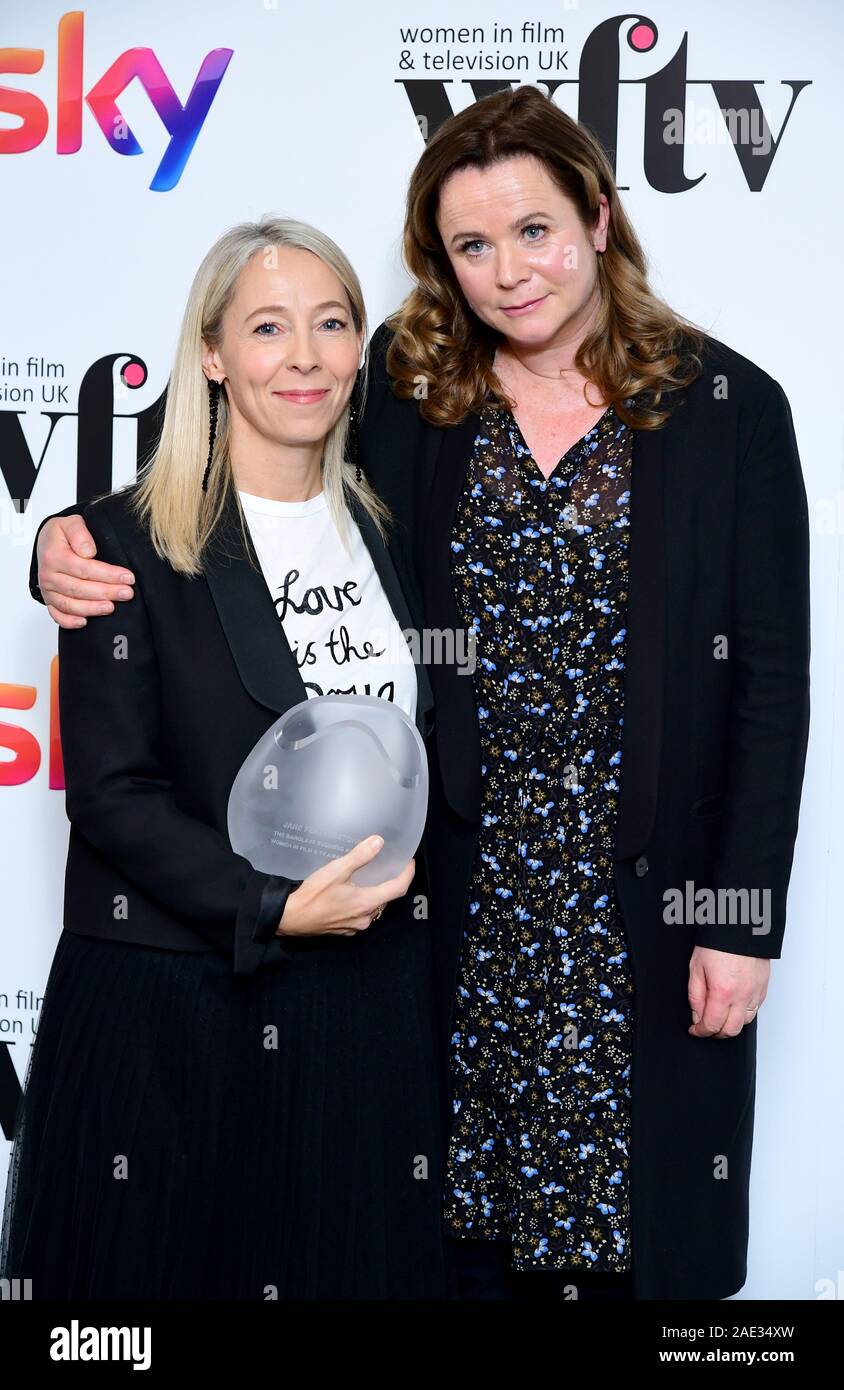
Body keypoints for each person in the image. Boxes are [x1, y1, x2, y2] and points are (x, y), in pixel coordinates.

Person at [27, 86, 811, 1302]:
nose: (510, 272)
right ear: (440, 263)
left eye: (536, 230)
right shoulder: (408, 385)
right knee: (429, 1250)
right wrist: (63, 543)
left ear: (599, 219)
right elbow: (241, 457)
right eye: (472, 246)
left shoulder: (728, 410)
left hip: (638, 909)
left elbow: (770, 682)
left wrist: (742, 915)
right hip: (440, 906)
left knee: (640, 1249)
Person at [1, 217, 448, 1300]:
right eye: (266, 326)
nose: (304, 354)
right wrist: (270, 906)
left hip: (361, 1004)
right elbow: (112, 795)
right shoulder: (116, 546)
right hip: (179, 1009)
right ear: (211, 353)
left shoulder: (387, 524)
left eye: (332, 323)